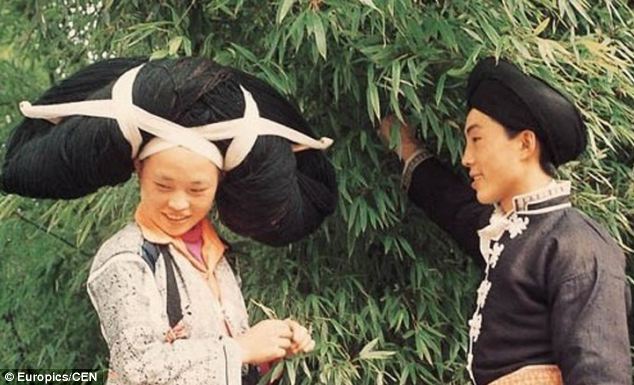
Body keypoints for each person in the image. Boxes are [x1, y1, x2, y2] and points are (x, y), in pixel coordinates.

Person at [1, 57, 338, 384]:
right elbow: (136, 367)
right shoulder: (125, 258)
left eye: (197, 189)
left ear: (218, 184)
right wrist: (241, 349)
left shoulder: (215, 255)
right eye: (163, 185)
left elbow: (218, 356)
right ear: (139, 171)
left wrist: (270, 345)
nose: (179, 203)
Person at [379, 57, 631, 385]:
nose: (466, 157)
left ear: (525, 144)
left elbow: (601, 377)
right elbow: (453, 206)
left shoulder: (578, 247)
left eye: (477, 139)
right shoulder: (509, 231)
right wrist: (406, 146)